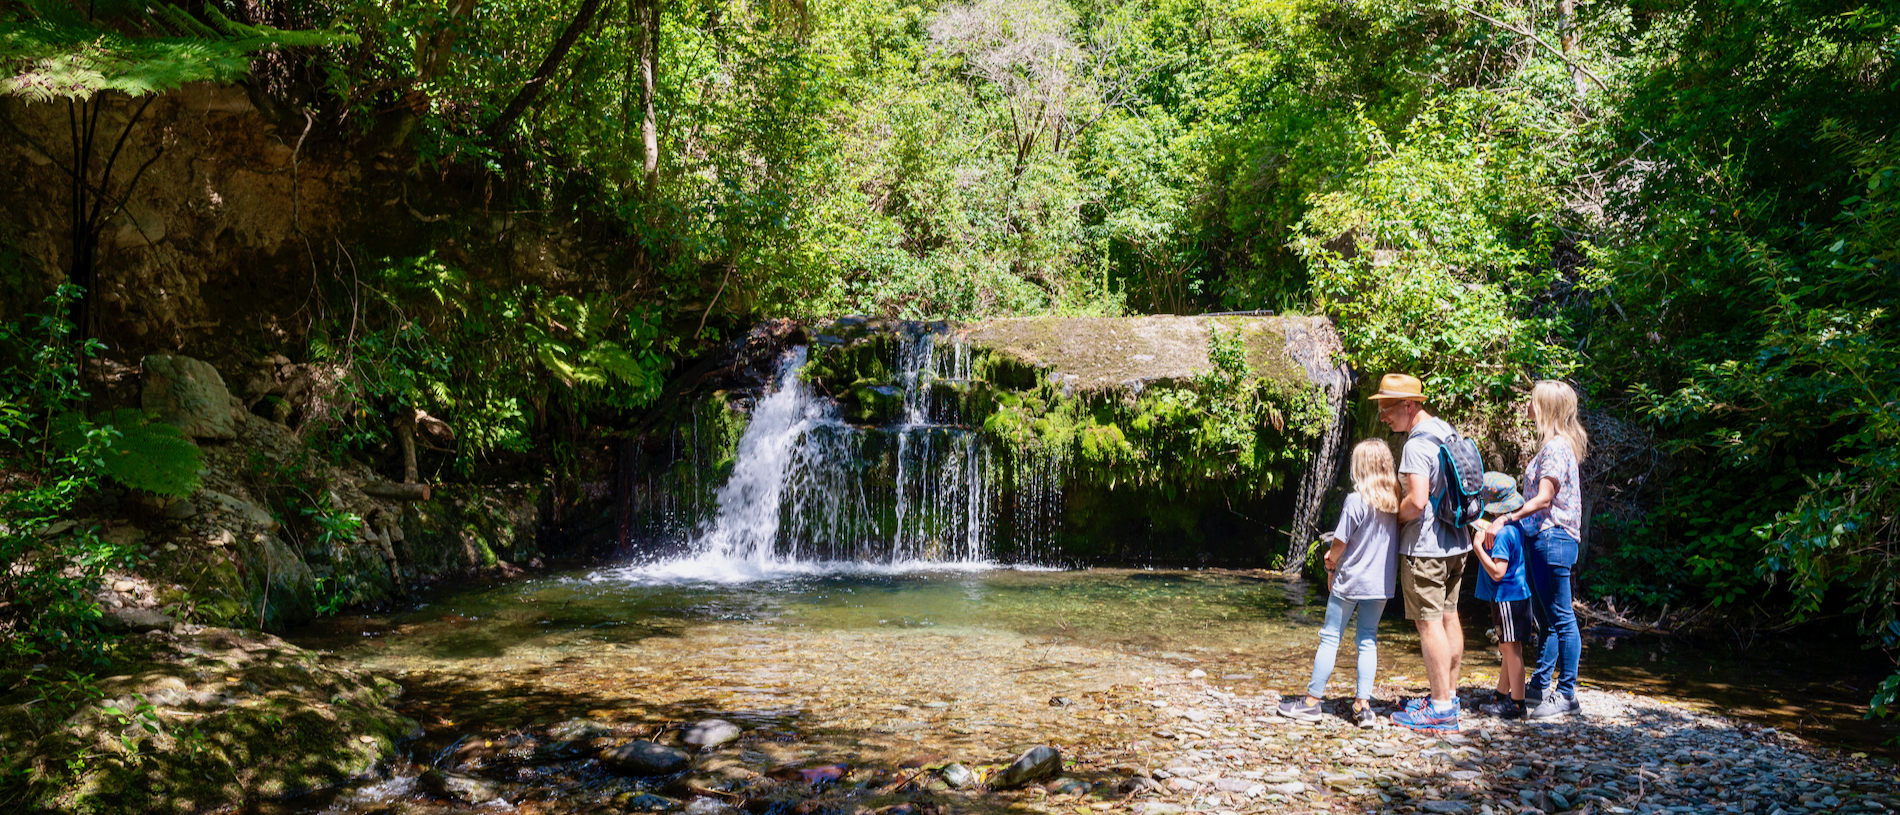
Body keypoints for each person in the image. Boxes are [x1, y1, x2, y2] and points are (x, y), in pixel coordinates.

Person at [1479, 380, 1588, 720]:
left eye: (1532, 401)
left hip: (1552, 537)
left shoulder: (1556, 448)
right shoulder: (1556, 446)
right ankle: (1539, 688)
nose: (1527, 406)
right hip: (1548, 538)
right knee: (1547, 619)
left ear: (1545, 408)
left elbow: (1543, 498)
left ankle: (1566, 694)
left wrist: (1504, 519)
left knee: (1561, 618)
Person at [1371, 373, 1473, 734]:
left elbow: (1416, 501)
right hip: (1457, 542)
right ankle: (1449, 695)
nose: (1383, 415)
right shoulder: (1445, 430)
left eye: (1387, 407)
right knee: (1448, 617)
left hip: (1426, 548)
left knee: (1428, 624)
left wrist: (1388, 521)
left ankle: (1441, 709)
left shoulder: (1415, 445)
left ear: (1409, 405)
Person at [1277, 439, 1402, 728]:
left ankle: (1311, 702)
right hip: (1380, 584)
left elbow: (1340, 543)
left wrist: (1330, 561)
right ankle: (1363, 706)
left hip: (1350, 581)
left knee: (1331, 637)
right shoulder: (1394, 502)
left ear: (1361, 468)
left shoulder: (1356, 500)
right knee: (1368, 639)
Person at [1470, 472, 1534, 720]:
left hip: (1507, 597)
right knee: (1508, 647)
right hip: (1518, 595)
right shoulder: (1514, 526)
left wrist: (1478, 548)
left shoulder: (1502, 534)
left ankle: (1517, 704)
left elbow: (1498, 572)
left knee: (1511, 649)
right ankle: (1501, 694)